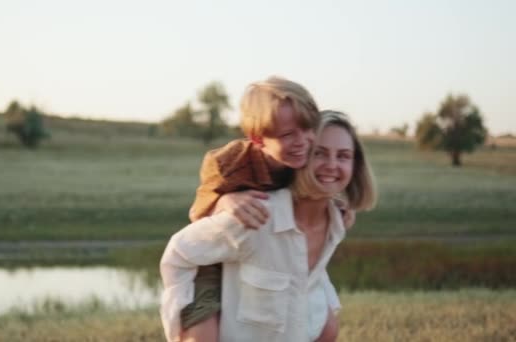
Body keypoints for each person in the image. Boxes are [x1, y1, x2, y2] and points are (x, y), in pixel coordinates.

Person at [160, 111, 377, 342]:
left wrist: (326, 318)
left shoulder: (337, 221)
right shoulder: (256, 216)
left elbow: (303, 278)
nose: (332, 165)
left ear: (356, 166)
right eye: (319, 153)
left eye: (343, 156)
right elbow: (179, 253)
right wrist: (195, 327)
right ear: (300, 156)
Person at [180, 76, 327, 342]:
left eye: (307, 128)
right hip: (213, 261)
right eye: (287, 135)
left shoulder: (308, 159)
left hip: (266, 257)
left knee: (321, 324)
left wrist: (339, 203)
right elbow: (197, 213)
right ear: (258, 139)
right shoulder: (230, 163)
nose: (302, 141)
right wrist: (223, 201)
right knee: (202, 335)